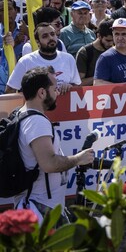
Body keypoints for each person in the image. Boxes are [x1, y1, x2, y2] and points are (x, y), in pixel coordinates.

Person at [15, 66, 94, 224]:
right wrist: (79, 158)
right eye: (55, 88)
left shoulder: (21, 114)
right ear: (42, 93)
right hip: (41, 209)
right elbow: (49, 164)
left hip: (37, 205)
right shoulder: (37, 122)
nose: (58, 92)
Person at [6, 23, 81, 94]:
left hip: (64, 106)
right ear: (37, 42)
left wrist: (71, 86)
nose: (51, 38)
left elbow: (78, 86)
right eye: (45, 36)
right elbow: (10, 90)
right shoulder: (26, 61)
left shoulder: (68, 59)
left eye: (52, 34)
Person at [76, 19, 114, 86]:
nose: (111, 44)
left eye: (113, 41)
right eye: (108, 40)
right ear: (99, 36)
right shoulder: (84, 53)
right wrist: (99, 78)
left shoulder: (114, 50)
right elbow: (79, 82)